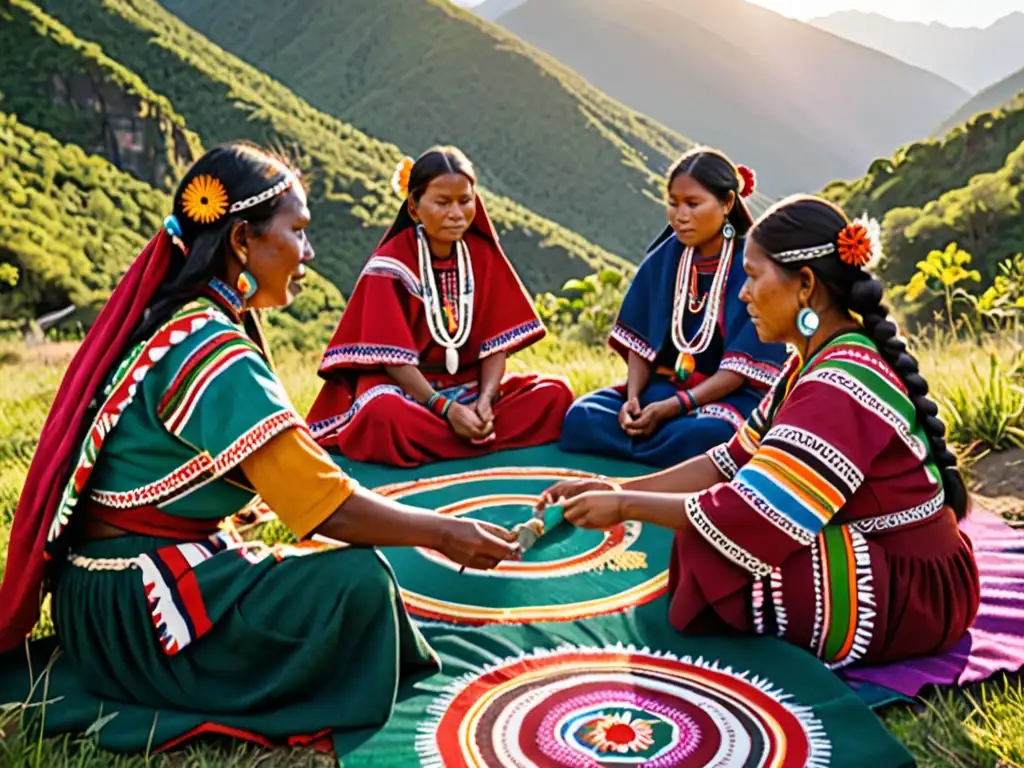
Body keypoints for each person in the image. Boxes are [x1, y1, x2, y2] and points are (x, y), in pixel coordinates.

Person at [0, 142, 520, 745]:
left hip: (99, 594)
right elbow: (327, 508)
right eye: (298, 231)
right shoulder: (211, 351)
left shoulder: (181, 323)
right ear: (242, 241)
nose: (308, 253)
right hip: (137, 611)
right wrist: (444, 532)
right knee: (358, 584)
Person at [539, 195, 981, 669]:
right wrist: (617, 488)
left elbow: (757, 511)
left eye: (752, 276)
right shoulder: (811, 362)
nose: (743, 293)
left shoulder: (840, 380)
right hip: (898, 561)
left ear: (806, 285)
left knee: (713, 550)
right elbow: (729, 460)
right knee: (706, 540)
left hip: (916, 594)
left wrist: (624, 507)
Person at [306, 147, 574, 467]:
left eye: (465, 200)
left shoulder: (482, 256)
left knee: (555, 394)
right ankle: (477, 441)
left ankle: (458, 437)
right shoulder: (389, 265)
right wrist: (445, 409)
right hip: (407, 392)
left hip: (470, 388)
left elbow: (495, 345)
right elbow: (393, 361)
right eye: (442, 202)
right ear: (414, 208)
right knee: (383, 417)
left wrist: (486, 401)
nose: (457, 213)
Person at [558, 147, 788, 468]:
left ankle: (656, 445)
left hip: (724, 400)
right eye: (673, 203)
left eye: (693, 204)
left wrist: (675, 407)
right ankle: (660, 443)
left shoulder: (749, 266)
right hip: (663, 390)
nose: (681, 215)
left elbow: (737, 372)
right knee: (582, 417)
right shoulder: (667, 258)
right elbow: (641, 342)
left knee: (707, 436)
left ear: (727, 204)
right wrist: (634, 398)